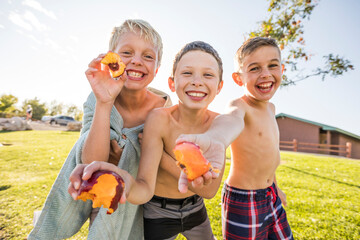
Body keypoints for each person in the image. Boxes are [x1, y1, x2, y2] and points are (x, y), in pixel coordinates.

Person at [28, 19, 171, 240]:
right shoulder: (96, 98)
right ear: (110, 59)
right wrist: (104, 102)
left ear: (157, 68)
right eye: (126, 52)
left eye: (148, 56)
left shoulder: (165, 108)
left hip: (139, 202)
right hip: (96, 187)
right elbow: (88, 161)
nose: (136, 61)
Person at [69, 41, 226, 240]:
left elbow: (209, 190)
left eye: (208, 75)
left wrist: (161, 156)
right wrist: (122, 178)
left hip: (195, 208)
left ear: (219, 86)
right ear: (172, 83)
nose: (197, 81)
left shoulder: (219, 124)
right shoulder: (158, 119)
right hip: (158, 212)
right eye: (187, 73)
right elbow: (143, 188)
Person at [176, 37, 293, 239]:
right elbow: (230, 120)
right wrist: (217, 139)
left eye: (272, 65)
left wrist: (275, 185)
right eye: (255, 68)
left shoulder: (271, 109)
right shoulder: (240, 106)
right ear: (239, 78)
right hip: (244, 199)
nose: (265, 74)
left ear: (281, 69)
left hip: (270, 194)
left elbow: (267, 156)